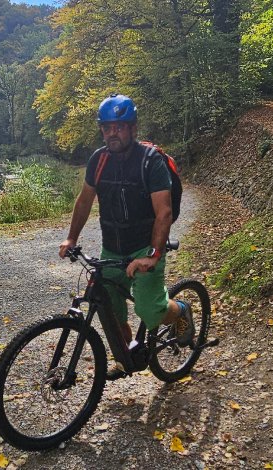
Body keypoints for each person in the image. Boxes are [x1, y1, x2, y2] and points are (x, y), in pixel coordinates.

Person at [58, 94, 194, 374]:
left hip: (145, 248)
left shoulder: (150, 161)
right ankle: (128, 354)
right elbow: (84, 201)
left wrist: (153, 255)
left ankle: (180, 310)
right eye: (107, 127)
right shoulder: (99, 160)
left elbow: (164, 212)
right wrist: (71, 238)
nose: (112, 133)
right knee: (110, 309)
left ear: (133, 128)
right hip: (113, 250)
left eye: (119, 127)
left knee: (149, 310)